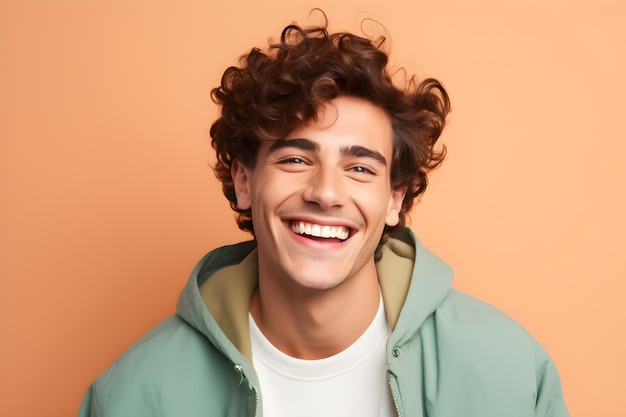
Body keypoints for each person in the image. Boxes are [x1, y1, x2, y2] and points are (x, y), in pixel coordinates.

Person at [78, 13, 569, 417]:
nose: (326, 192)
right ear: (244, 182)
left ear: (395, 199)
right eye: (295, 159)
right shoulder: (134, 395)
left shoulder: (511, 373)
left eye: (358, 167)